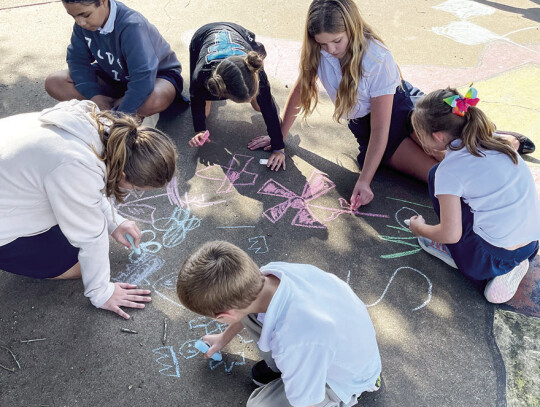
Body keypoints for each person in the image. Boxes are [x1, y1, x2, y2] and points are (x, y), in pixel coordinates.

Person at [0, 100, 178, 318]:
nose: (135, 191)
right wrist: (102, 292)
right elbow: (90, 237)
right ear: (122, 176)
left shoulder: (98, 127)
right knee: (81, 267)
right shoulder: (73, 165)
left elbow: (85, 188)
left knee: (85, 240)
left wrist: (115, 221)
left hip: (12, 185)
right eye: (137, 187)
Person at [176, 241, 381, 407]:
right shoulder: (271, 274)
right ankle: (291, 374)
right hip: (336, 343)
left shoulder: (294, 340)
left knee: (258, 405)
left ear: (223, 315)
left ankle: (339, 399)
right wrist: (223, 339)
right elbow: (243, 312)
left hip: (345, 379)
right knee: (250, 313)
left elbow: (306, 404)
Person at [280, 0, 441, 208]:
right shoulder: (318, 50)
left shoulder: (376, 57)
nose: (330, 49)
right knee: (439, 177)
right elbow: (302, 88)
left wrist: (364, 181)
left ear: (352, 28)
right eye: (323, 43)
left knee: (455, 161)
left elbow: (381, 126)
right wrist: (279, 136)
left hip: (400, 112)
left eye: (337, 41)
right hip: (369, 128)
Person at [408, 87, 540, 304]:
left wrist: (420, 229)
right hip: (530, 245)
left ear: (438, 137)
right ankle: (515, 264)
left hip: (490, 260)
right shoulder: (495, 139)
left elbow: (450, 233)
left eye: (420, 134)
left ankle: (474, 263)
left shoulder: (449, 171)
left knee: (435, 177)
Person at [44, 0, 184, 127]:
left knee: (154, 99)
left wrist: (120, 116)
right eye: (73, 16)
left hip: (155, 78)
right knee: (55, 82)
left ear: (103, 2)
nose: (80, 22)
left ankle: (115, 109)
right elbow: (77, 61)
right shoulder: (83, 25)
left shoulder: (132, 25)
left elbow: (143, 78)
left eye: (85, 15)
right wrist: (94, 95)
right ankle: (115, 105)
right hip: (112, 74)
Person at [188, 22, 286, 171]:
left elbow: (268, 107)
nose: (250, 100)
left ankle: (257, 49)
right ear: (224, 93)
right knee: (204, 111)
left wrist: (279, 147)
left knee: (260, 105)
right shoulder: (200, 77)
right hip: (202, 37)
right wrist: (200, 130)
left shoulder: (258, 72)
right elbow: (196, 100)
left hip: (238, 33)